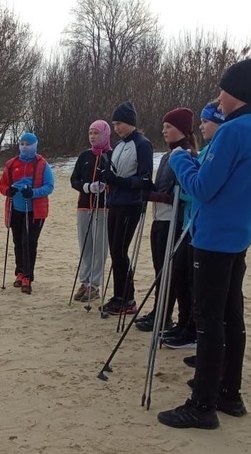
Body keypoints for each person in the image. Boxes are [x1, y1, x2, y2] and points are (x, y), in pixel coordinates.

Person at [158, 59, 251, 429]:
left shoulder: (235, 130)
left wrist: (180, 162)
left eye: (222, 89)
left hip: (216, 236)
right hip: (237, 234)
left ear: (235, 92)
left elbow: (203, 188)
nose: (218, 97)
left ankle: (202, 404)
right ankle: (228, 392)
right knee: (229, 315)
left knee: (210, 320)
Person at [135, 107, 197, 336]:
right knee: (160, 268)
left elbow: (182, 191)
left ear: (181, 129)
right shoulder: (167, 155)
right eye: (164, 127)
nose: (164, 131)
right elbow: (160, 185)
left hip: (174, 221)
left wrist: (157, 195)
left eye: (168, 127)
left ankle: (170, 317)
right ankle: (159, 310)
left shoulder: (187, 154)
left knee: (172, 271)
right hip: (160, 217)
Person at [179, 101, 225, 362]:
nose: (201, 125)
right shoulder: (210, 149)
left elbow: (198, 189)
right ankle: (204, 349)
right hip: (197, 227)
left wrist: (182, 166)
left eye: (206, 121)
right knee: (200, 296)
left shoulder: (213, 149)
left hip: (208, 232)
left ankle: (207, 355)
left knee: (209, 303)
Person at [99, 101, 153, 315]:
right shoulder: (119, 145)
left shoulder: (142, 144)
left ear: (130, 122)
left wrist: (120, 181)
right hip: (115, 201)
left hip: (131, 204)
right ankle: (119, 295)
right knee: (115, 251)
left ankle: (127, 298)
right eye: (113, 124)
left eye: (119, 123)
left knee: (120, 251)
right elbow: (115, 172)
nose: (116, 128)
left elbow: (145, 178)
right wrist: (107, 175)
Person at [0, 132, 54, 295]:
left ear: (35, 145)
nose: (24, 147)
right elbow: (2, 185)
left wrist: (33, 192)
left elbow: (49, 186)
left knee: (29, 241)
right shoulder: (11, 164)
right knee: (17, 241)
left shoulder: (42, 164)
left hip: (35, 211)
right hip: (15, 209)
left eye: (28, 144)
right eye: (22, 144)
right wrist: (9, 190)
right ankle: (20, 272)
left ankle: (28, 276)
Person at [70, 120, 111, 303]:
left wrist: (105, 186)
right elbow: (74, 180)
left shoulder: (111, 155)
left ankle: (95, 285)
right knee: (85, 246)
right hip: (85, 205)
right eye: (90, 133)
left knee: (99, 247)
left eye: (96, 133)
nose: (93, 136)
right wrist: (87, 187)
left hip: (103, 207)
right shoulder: (84, 156)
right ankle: (84, 282)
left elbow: (116, 179)